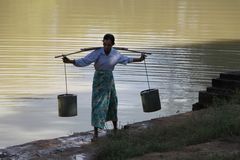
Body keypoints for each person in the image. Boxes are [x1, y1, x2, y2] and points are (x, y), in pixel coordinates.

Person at [62, 33, 145, 139]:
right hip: (98, 81)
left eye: (109, 45)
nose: (106, 47)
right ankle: (96, 133)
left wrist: (139, 59)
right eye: (104, 44)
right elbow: (84, 61)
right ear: (102, 43)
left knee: (112, 103)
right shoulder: (97, 52)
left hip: (109, 81)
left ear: (112, 45)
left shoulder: (116, 54)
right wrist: (70, 61)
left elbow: (127, 59)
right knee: (97, 104)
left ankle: (115, 129)